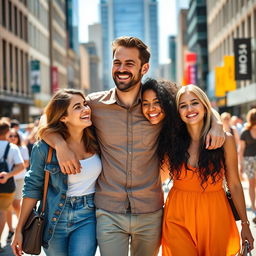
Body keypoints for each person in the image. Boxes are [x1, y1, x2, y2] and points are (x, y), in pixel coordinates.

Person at [40, 37, 225, 256]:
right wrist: (60, 144)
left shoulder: (158, 106)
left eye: (129, 63)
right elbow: (49, 121)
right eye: (117, 62)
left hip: (150, 211)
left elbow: (195, 105)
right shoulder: (94, 104)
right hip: (109, 211)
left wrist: (217, 122)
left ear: (144, 67)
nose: (121, 69)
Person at [142, 82, 254, 255]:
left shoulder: (225, 140)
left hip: (215, 215)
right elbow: (160, 176)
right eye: (183, 106)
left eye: (194, 103)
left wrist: (245, 225)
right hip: (177, 216)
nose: (189, 109)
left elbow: (235, 184)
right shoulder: (171, 141)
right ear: (178, 112)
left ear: (204, 105)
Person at [11, 89, 101, 256]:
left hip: (88, 215)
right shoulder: (44, 148)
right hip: (54, 216)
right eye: (77, 107)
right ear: (63, 117)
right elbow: (32, 188)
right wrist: (19, 229)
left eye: (85, 104)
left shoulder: (98, 138)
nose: (86, 109)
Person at [0, 121, 24, 252]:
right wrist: (8, 175)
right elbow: (21, 166)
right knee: (2, 212)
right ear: (7, 132)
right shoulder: (12, 148)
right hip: (6, 185)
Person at [6, 129, 30, 243]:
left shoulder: (22, 148)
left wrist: (13, 169)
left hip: (19, 179)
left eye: (14, 136)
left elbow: (26, 163)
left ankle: (21, 225)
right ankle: (10, 229)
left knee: (16, 204)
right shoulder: (7, 147)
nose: (12, 138)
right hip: (6, 181)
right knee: (7, 207)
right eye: (10, 136)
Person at [239, 108, 256, 223]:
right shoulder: (245, 132)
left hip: (249, 160)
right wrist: (240, 164)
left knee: (252, 184)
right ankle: (254, 208)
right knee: (251, 184)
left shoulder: (245, 132)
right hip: (249, 160)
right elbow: (241, 149)